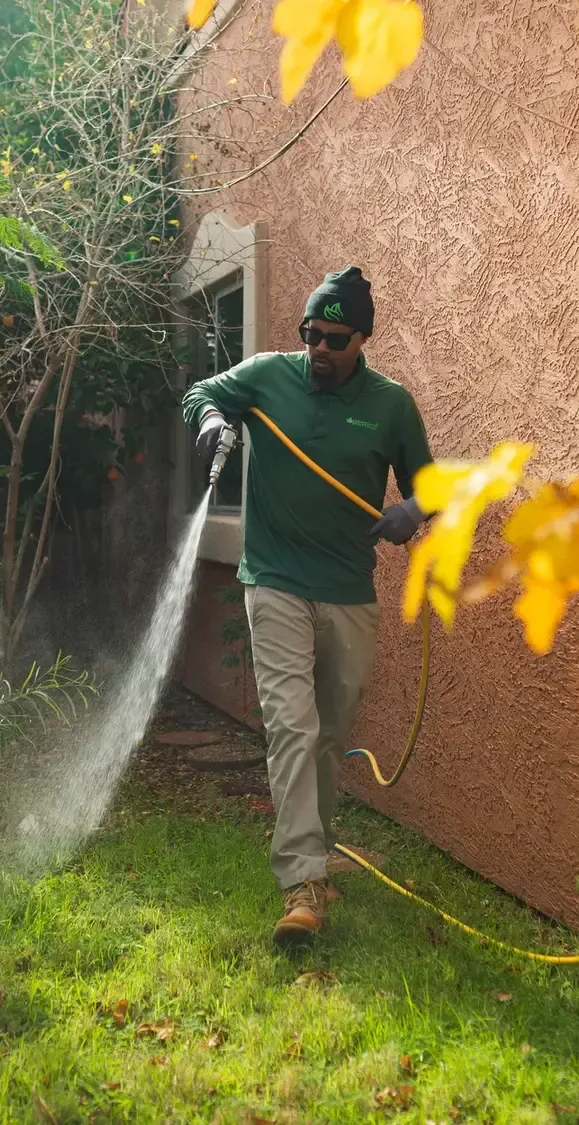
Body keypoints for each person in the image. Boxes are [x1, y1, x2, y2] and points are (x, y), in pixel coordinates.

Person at [183, 266, 433, 944]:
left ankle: (316, 849)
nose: (318, 349)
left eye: (334, 338)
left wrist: (411, 511)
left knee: (327, 732)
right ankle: (302, 881)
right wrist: (210, 421)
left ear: (362, 338)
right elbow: (204, 391)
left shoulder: (391, 405)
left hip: (349, 589)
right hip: (275, 579)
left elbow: (432, 488)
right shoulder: (267, 377)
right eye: (310, 335)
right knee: (292, 725)